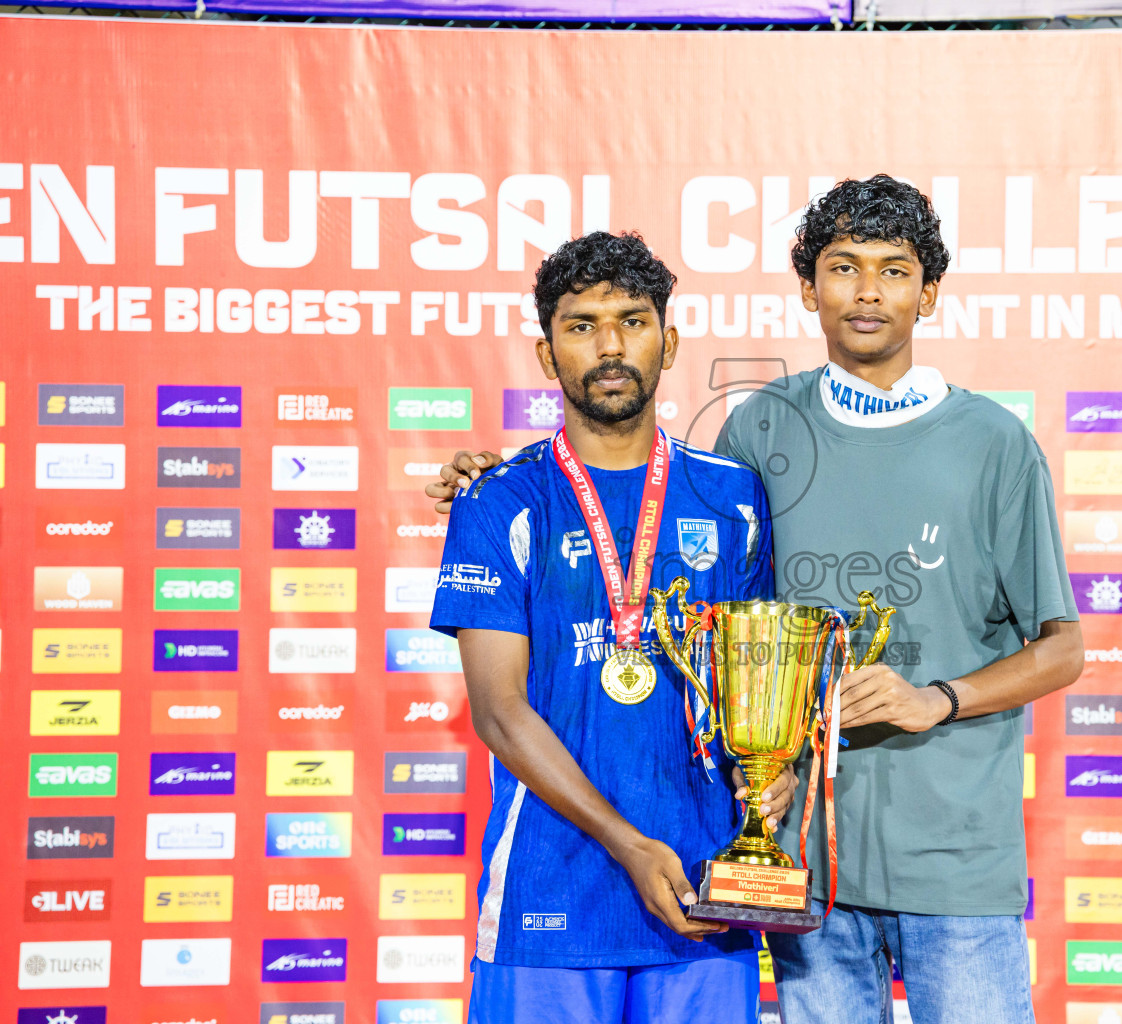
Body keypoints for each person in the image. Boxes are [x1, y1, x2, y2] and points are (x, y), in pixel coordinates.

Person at [430, 177, 1084, 1024]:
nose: (868, 292)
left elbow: (1060, 645)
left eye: (893, 270)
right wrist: (488, 480)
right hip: (770, 865)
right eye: (843, 267)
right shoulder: (747, 438)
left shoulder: (973, 445)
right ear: (809, 288)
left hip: (911, 861)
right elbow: (513, 697)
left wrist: (930, 702)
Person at [429, 230, 795, 1024]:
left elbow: (754, 691)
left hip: (704, 889)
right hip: (548, 895)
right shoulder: (498, 499)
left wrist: (771, 773)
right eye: (581, 325)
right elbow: (499, 711)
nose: (609, 346)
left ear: (669, 342)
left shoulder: (733, 497)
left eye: (632, 321)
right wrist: (627, 843)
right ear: (545, 353)